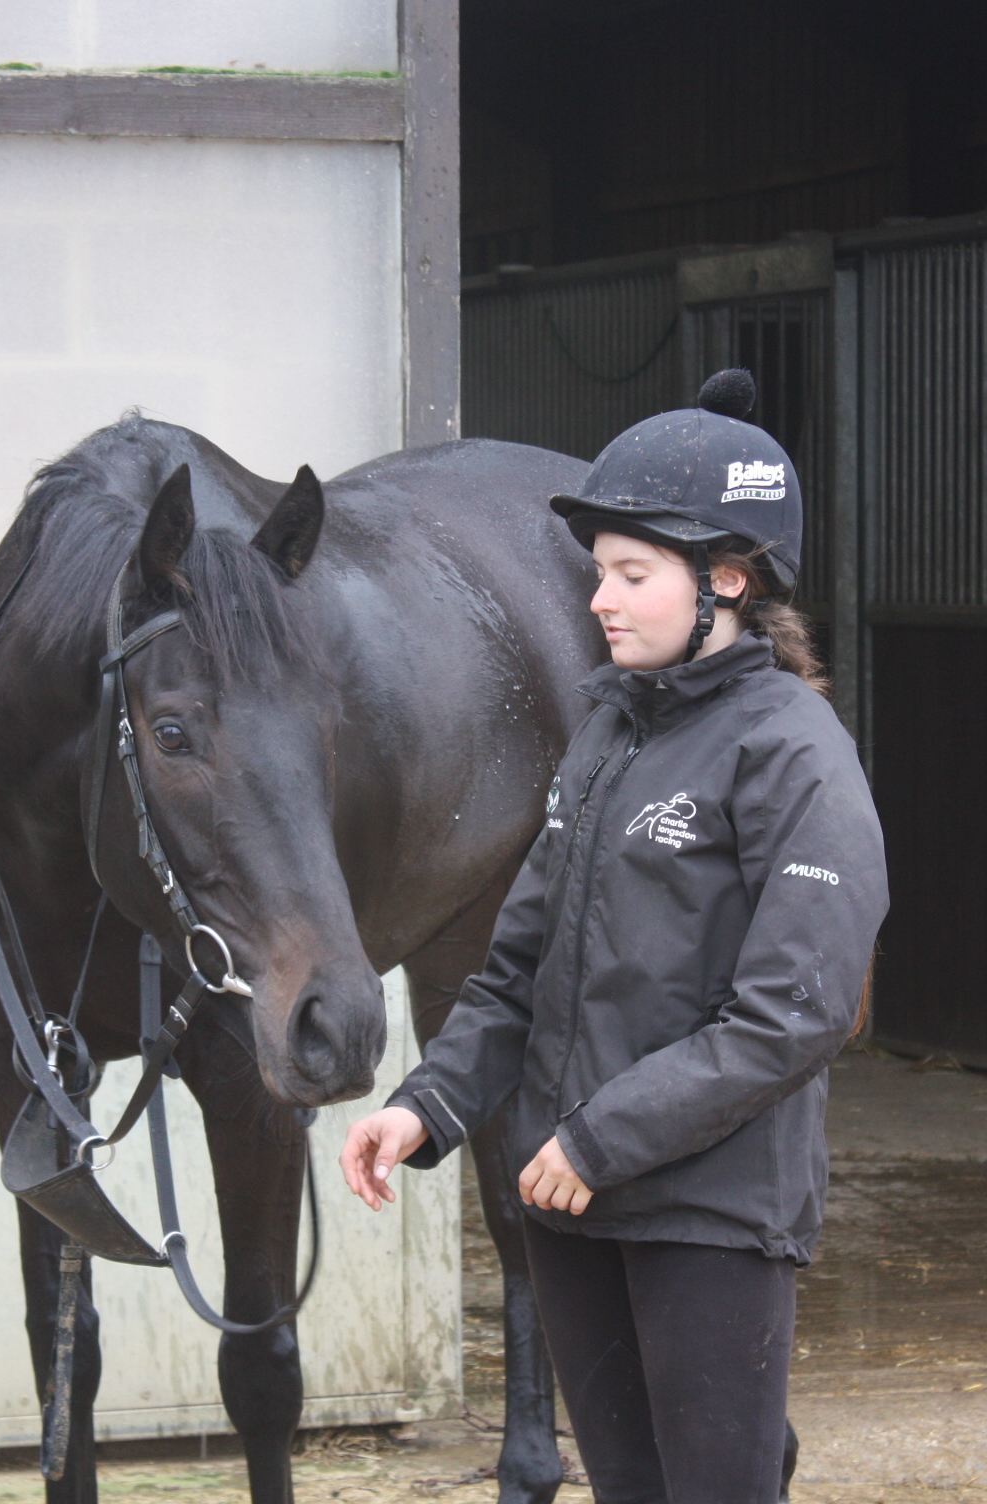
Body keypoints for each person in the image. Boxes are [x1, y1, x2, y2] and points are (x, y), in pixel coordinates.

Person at [340, 370, 888, 1504]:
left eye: (633, 574)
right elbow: (514, 972)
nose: (600, 599)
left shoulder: (795, 754)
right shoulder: (607, 733)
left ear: (726, 581)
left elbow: (798, 1010)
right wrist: (427, 1105)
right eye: (600, 573)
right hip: (576, 1210)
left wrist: (600, 1138)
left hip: (710, 1213)